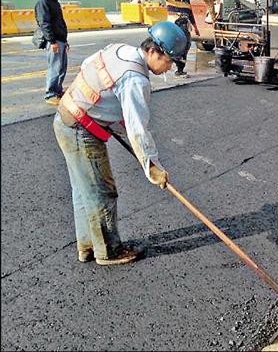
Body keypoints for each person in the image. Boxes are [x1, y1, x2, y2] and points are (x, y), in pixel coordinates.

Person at [53, 21, 189, 265]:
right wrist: (152, 167)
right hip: (81, 129)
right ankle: (108, 251)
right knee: (101, 192)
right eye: (168, 61)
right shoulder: (136, 79)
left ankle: (88, 246)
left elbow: (91, 72)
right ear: (153, 51)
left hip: (66, 117)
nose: (168, 67)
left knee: (84, 190)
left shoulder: (120, 50)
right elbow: (138, 129)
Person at [148, 0, 199, 77]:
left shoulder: (186, 1)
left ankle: (180, 70)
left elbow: (191, 15)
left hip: (184, 28)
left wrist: (196, 28)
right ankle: (158, 65)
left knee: (184, 49)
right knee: (167, 47)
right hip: (172, 28)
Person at [35, 0, 69, 105]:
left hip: (60, 40)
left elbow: (59, 22)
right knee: (54, 67)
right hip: (53, 41)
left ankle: (58, 91)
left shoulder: (55, 2)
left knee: (61, 68)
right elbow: (44, 23)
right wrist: (53, 41)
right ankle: (50, 94)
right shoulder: (43, 2)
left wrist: (65, 40)